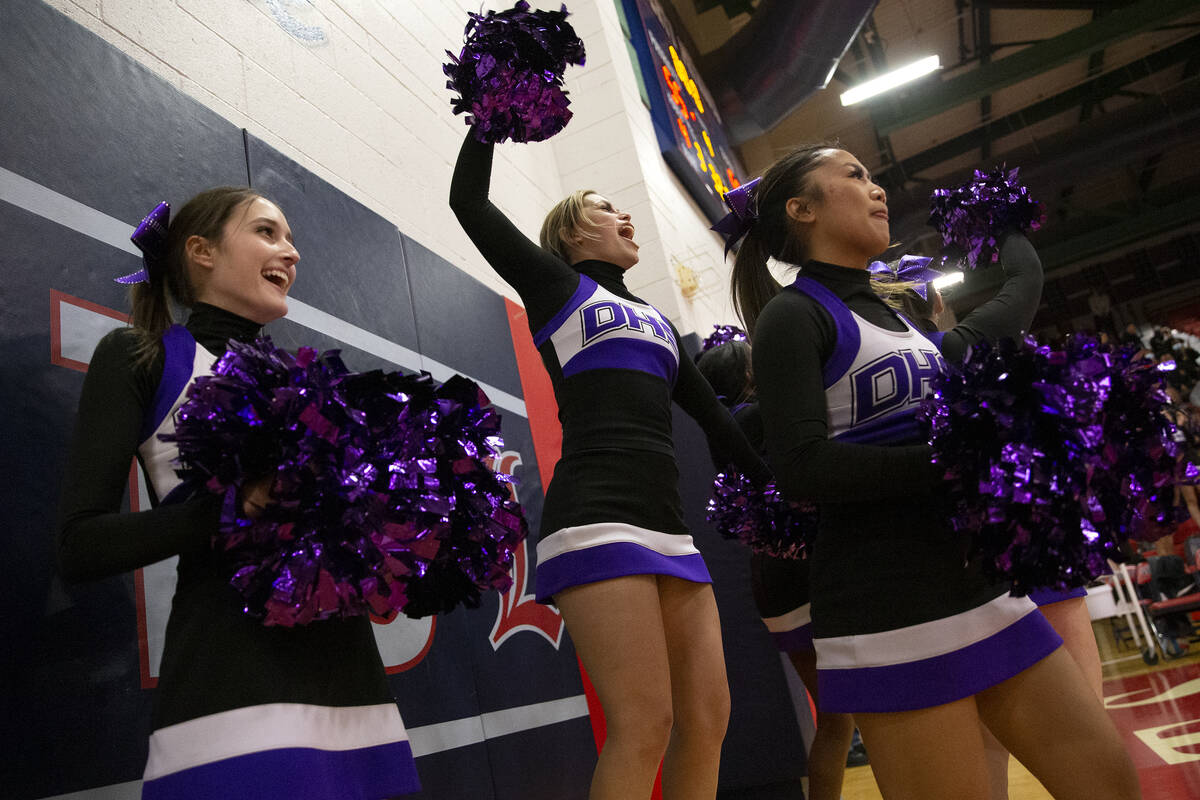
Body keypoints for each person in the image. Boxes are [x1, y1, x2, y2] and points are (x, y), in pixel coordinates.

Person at [731, 145, 1141, 799]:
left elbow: (1015, 300)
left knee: (1110, 782)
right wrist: (956, 465)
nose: (877, 187)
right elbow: (803, 468)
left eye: (873, 175)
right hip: (888, 609)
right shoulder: (792, 318)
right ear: (801, 209)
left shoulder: (902, 320)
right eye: (855, 175)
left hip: (980, 586)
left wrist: (1003, 226)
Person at [57, 189, 419, 799]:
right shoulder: (143, 355)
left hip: (355, 687)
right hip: (233, 684)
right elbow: (80, 545)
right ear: (201, 251)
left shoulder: (310, 384)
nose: (291, 252)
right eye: (268, 232)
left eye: (290, 238)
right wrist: (235, 505)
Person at [449, 133, 768, 799]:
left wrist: (787, 491)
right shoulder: (556, 287)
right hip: (596, 519)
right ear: (569, 236)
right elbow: (468, 202)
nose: (625, 216)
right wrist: (488, 116)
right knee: (644, 724)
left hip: (669, 530)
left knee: (708, 719)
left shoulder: (653, 319)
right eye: (604, 208)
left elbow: (717, 425)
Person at [697, 339, 855, 800]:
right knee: (873, 709)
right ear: (750, 375)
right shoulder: (765, 415)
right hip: (812, 566)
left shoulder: (725, 429)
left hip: (773, 579)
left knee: (835, 720)